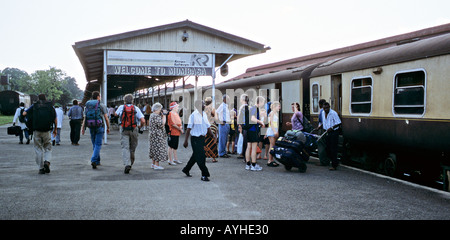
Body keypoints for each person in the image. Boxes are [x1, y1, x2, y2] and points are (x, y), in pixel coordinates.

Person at [23, 94, 57, 174]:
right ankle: (47, 162)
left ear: (38, 98)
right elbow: (55, 118)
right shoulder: (50, 106)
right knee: (48, 147)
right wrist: (55, 129)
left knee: (38, 149)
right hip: (47, 130)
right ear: (45, 98)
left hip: (36, 130)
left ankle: (41, 168)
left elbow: (24, 113)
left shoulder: (34, 106)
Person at [182, 100, 214, 181]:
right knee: (201, 156)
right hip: (195, 139)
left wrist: (213, 136)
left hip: (202, 138)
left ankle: (186, 169)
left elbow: (208, 127)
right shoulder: (193, 115)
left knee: (195, 156)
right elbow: (188, 129)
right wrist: (186, 141)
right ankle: (204, 174)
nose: (204, 105)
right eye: (202, 104)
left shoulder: (204, 114)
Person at [115, 94, 145, 174]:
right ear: (132, 101)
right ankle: (131, 163)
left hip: (124, 129)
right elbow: (143, 120)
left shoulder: (121, 107)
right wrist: (140, 127)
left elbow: (115, 114)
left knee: (125, 147)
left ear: (124, 101)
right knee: (132, 148)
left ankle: (127, 164)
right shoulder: (136, 108)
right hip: (133, 129)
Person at [81, 91, 110, 169]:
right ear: (98, 97)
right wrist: (108, 127)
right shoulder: (101, 105)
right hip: (99, 126)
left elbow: (85, 117)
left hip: (91, 126)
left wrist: (83, 128)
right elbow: (106, 118)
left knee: (94, 144)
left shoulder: (88, 105)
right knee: (98, 144)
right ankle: (93, 160)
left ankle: (97, 161)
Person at [245, 96, 265, 171]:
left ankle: (248, 164)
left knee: (248, 147)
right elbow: (252, 118)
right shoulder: (255, 109)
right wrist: (261, 122)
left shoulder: (251, 108)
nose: (263, 104)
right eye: (263, 102)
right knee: (253, 147)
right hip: (253, 130)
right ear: (259, 102)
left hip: (248, 130)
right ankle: (253, 164)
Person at [320, 102, 342, 170]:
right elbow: (324, 122)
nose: (326, 109)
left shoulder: (333, 113)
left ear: (329, 107)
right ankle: (335, 161)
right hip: (327, 132)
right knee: (327, 148)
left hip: (334, 132)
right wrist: (320, 127)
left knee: (333, 149)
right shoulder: (323, 113)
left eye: (327, 108)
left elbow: (339, 122)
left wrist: (332, 128)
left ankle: (334, 165)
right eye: (324, 108)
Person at [148, 102, 167, 170]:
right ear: (156, 109)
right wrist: (164, 116)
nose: (160, 111)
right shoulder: (156, 115)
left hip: (153, 135)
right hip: (157, 136)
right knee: (158, 149)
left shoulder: (152, 115)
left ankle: (153, 164)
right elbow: (162, 124)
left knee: (154, 149)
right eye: (160, 109)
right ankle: (156, 164)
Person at [314, 99, 330, 166]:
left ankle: (322, 161)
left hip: (322, 129)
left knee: (321, 146)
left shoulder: (321, 111)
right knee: (325, 145)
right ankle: (327, 160)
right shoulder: (328, 111)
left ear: (320, 104)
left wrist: (318, 128)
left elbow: (321, 120)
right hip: (326, 129)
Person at [266, 101, 281, 167]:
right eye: (279, 106)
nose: (279, 108)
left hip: (274, 130)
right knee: (271, 145)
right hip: (272, 130)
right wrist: (275, 131)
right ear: (275, 106)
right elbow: (271, 123)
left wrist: (276, 131)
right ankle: (269, 160)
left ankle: (271, 159)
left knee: (273, 145)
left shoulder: (276, 113)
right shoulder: (271, 113)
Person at [216, 94, 231, 158]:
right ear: (224, 99)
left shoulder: (226, 106)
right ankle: (221, 153)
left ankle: (224, 152)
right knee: (222, 139)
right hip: (223, 124)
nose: (229, 100)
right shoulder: (222, 106)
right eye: (227, 99)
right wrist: (219, 121)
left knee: (225, 139)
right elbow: (216, 113)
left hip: (227, 124)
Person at [204, 97, 218, 162]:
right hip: (212, 125)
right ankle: (213, 157)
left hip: (205, 126)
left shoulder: (203, 109)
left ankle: (204, 156)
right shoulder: (212, 109)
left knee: (205, 141)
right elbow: (216, 118)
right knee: (213, 141)